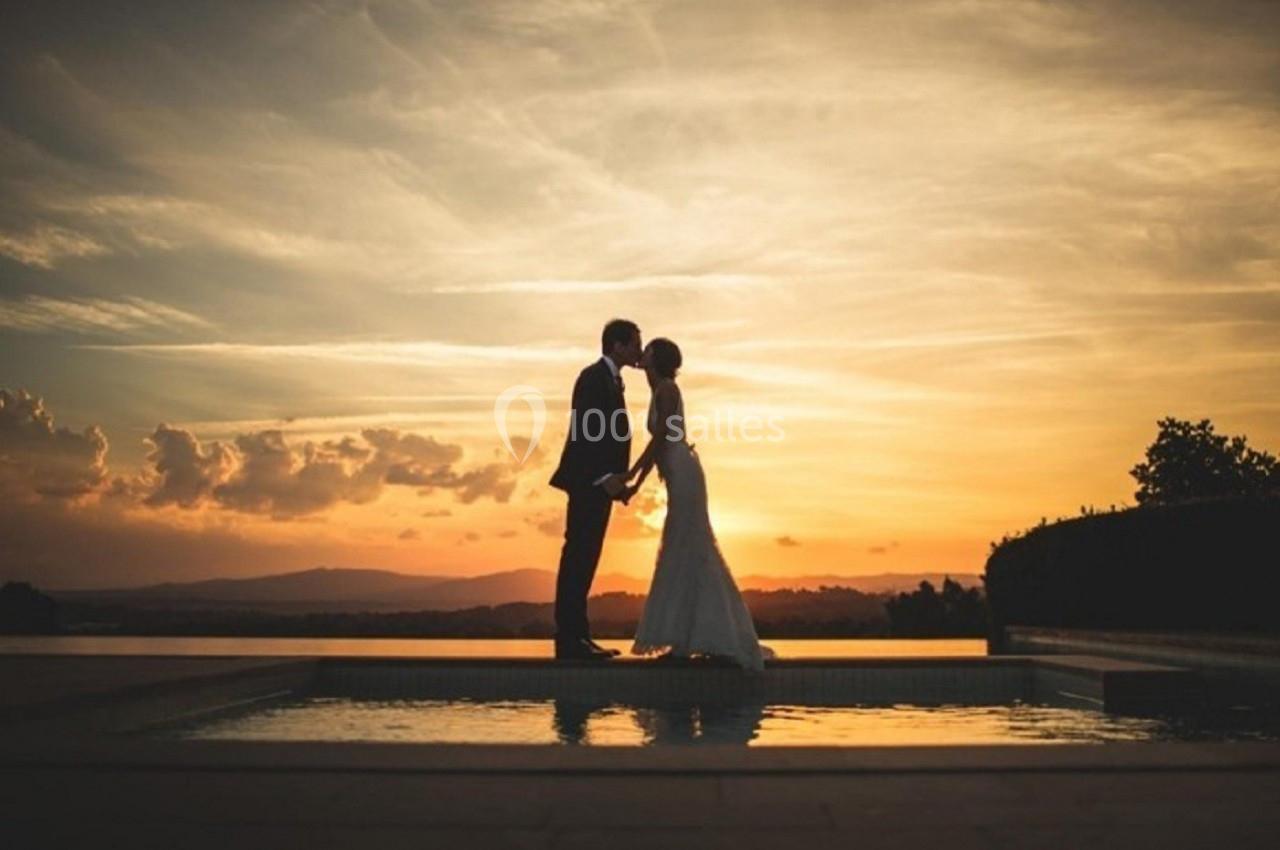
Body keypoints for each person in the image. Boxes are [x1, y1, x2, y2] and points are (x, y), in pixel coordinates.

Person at [624, 337, 773, 672]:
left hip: (684, 474)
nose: (641, 353)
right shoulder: (659, 389)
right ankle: (686, 639)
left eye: (647, 350)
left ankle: (704, 639)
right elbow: (660, 442)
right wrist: (636, 481)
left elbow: (661, 438)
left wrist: (633, 475)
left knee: (688, 545)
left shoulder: (666, 390)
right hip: (677, 473)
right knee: (684, 548)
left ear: (657, 359)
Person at [548, 318, 642, 661]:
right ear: (616, 345)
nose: (638, 351)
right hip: (588, 483)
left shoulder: (612, 380)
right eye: (634, 344)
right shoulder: (592, 378)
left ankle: (579, 637)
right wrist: (604, 478)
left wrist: (616, 484)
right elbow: (588, 432)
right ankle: (569, 639)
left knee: (587, 558)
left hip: (601, 485)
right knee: (578, 557)